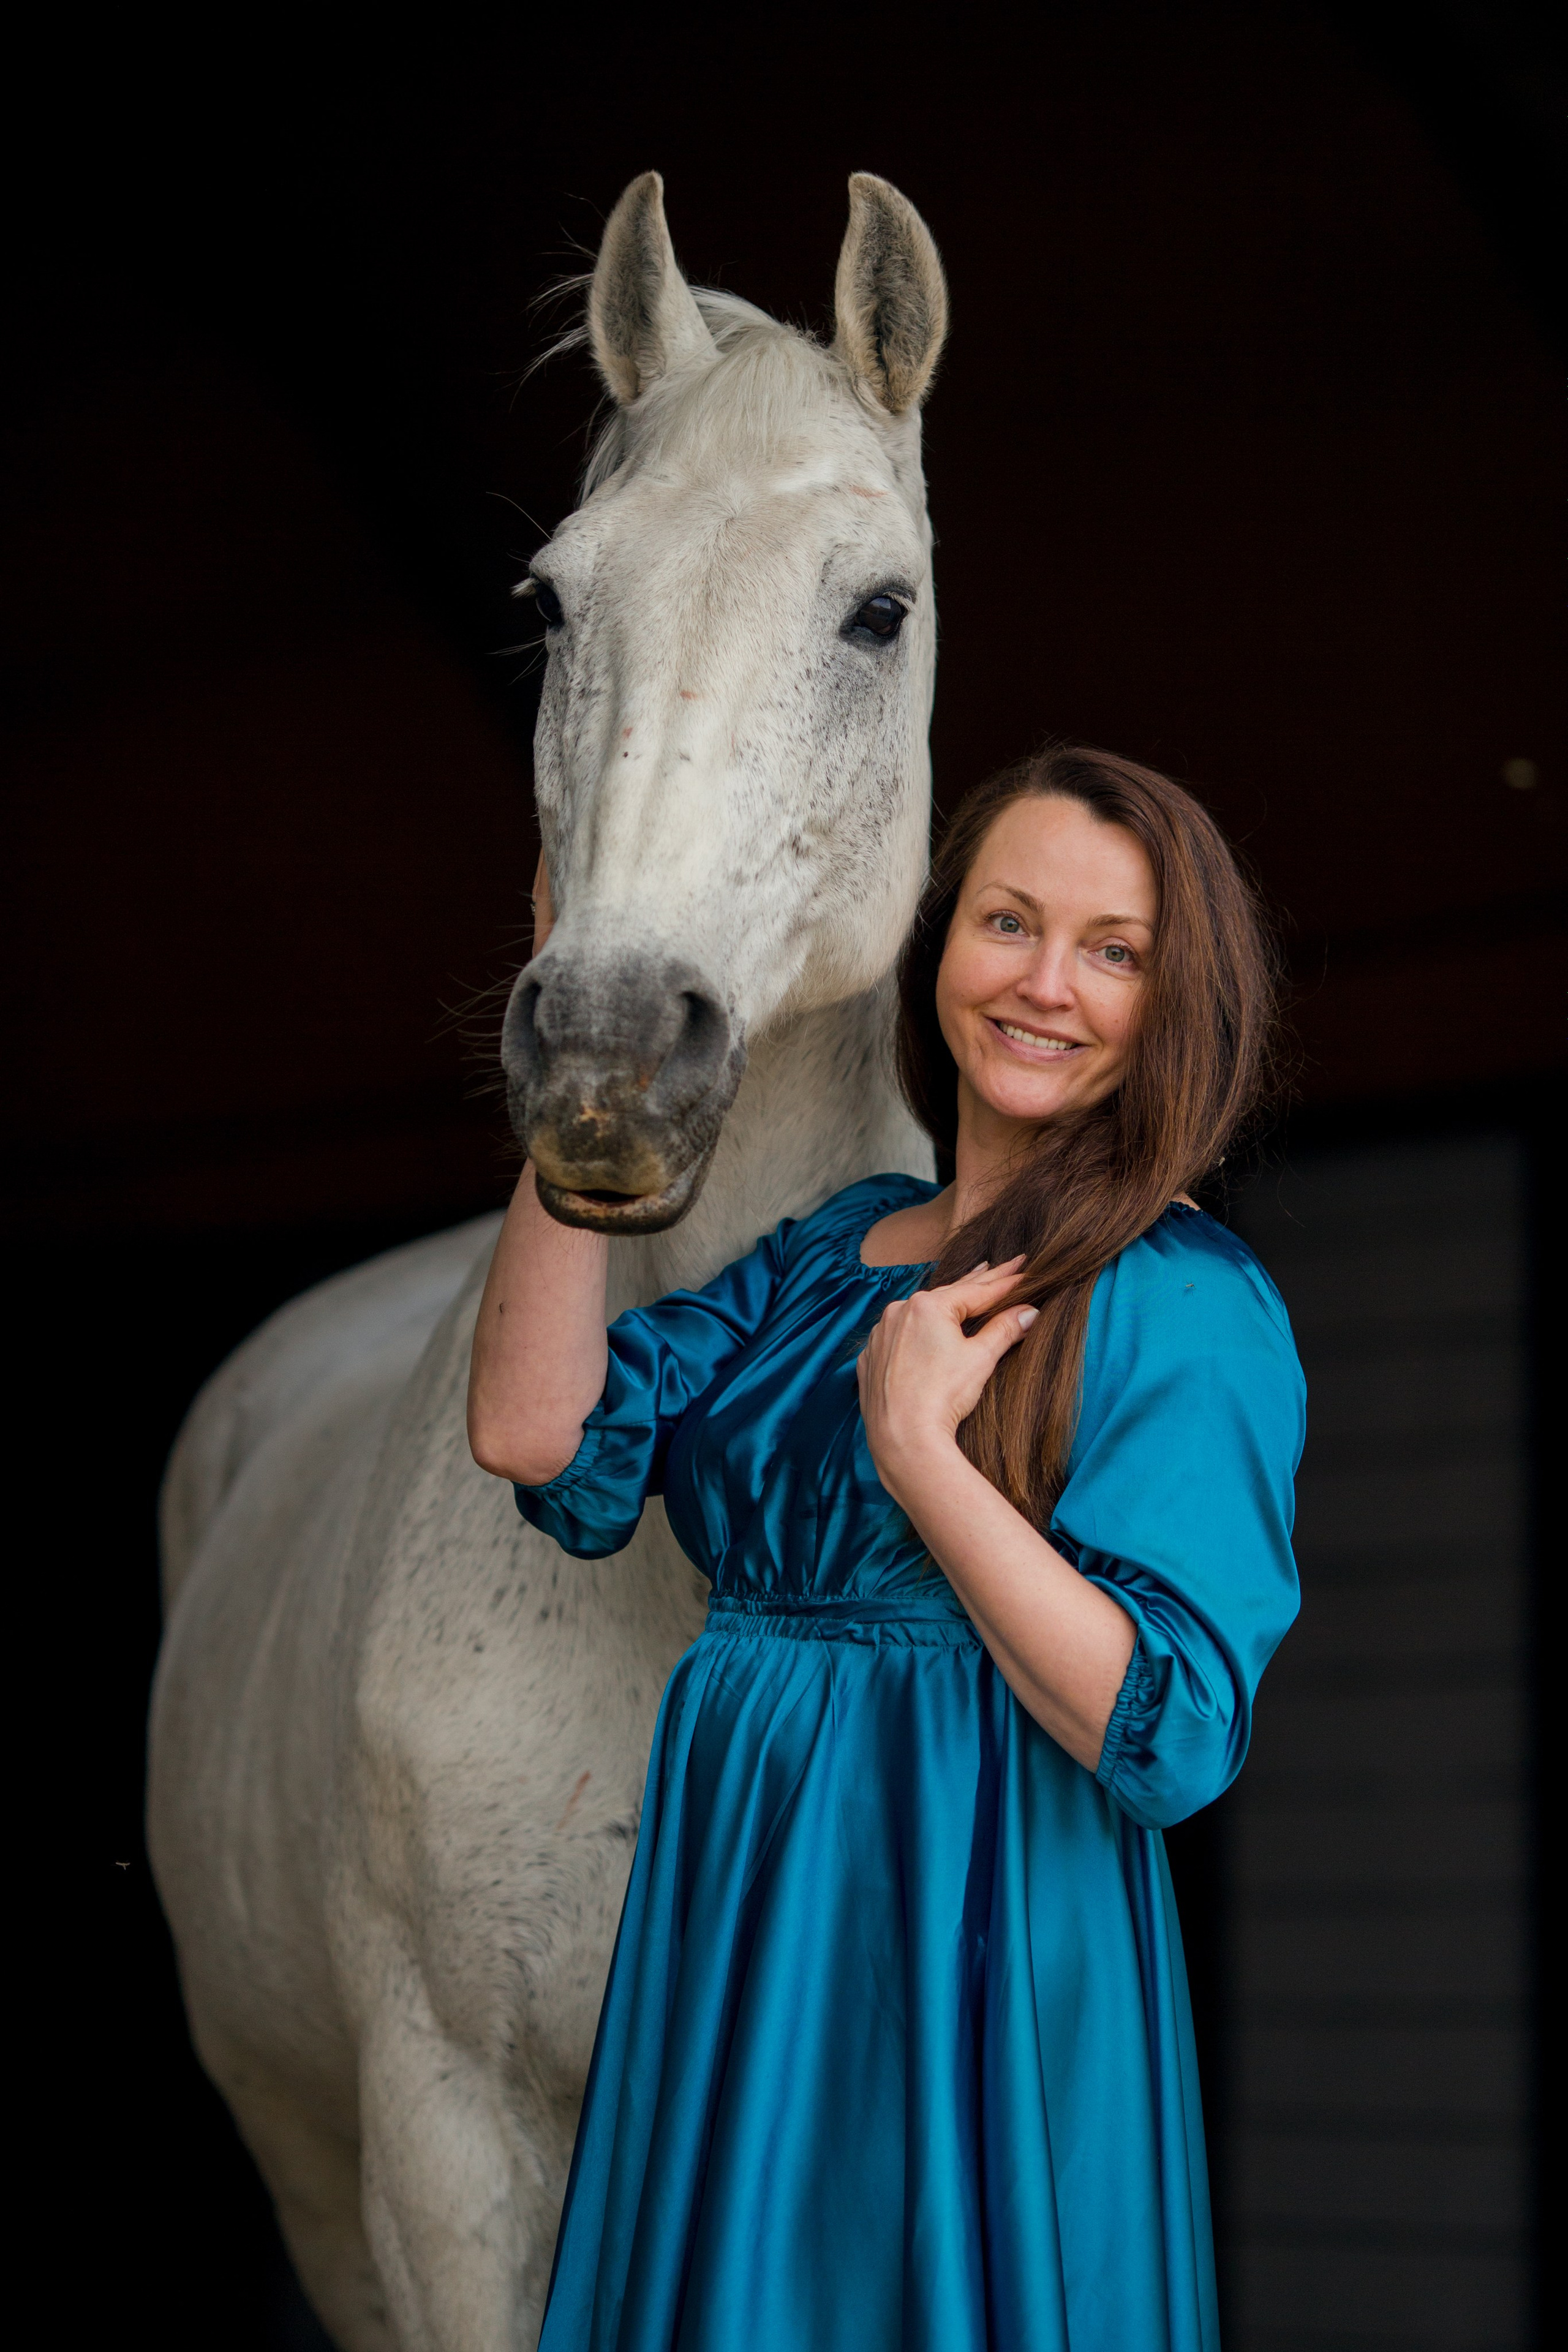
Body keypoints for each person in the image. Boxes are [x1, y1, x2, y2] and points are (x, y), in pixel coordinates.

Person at [467, 744, 1305, 2351]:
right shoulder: (830, 1249)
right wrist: (580, 1081)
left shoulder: (1180, 1296)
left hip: (973, 1899)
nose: (1046, 983)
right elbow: (538, 1432)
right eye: (1009, 923)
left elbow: (1172, 1732)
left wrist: (924, 1457)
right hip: (752, 1870)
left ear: (1174, 997)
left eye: (1115, 951)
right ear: (943, 954)